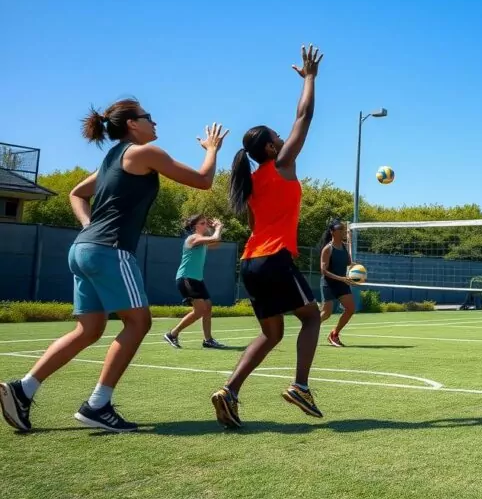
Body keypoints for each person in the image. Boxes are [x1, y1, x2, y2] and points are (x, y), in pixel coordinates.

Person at [0, 100, 226, 433]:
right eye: (149, 117)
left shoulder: (113, 158)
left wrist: (87, 226)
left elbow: (77, 193)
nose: (154, 122)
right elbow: (204, 181)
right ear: (133, 124)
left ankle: (24, 389)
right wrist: (212, 148)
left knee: (88, 329)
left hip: (85, 249)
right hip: (110, 250)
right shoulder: (144, 153)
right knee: (139, 323)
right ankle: (98, 404)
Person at [212, 44, 324, 429]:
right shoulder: (282, 164)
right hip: (275, 259)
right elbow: (304, 116)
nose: (284, 134)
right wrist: (310, 77)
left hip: (252, 262)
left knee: (272, 332)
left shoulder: (251, 182)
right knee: (311, 319)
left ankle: (229, 390)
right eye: (278, 135)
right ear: (273, 147)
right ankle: (301, 386)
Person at [163, 215, 228, 349]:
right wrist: (218, 227)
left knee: (208, 306)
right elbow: (215, 238)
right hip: (186, 278)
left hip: (197, 280)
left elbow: (216, 243)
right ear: (194, 227)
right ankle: (172, 334)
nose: (206, 225)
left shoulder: (201, 241)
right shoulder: (193, 238)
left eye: (206, 223)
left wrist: (214, 229)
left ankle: (208, 340)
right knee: (200, 310)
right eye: (202, 223)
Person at [320, 218, 357, 347]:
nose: (343, 231)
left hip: (341, 283)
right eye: (340, 229)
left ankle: (334, 334)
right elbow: (323, 270)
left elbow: (348, 263)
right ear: (332, 232)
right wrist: (342, 278)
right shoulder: (327, 249)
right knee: (326, 314)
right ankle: (309, 328)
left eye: (344, 229)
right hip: (329, 284)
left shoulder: (344, 247)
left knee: (350, 309)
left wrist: (357, 272)